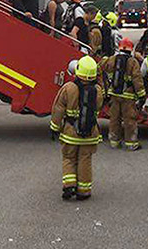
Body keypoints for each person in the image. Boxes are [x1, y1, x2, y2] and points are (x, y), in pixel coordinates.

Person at [50, 56, 104, 200]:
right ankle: (84, 191)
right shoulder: (98, 90)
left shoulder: (69, 88)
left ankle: (69, 185)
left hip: (70, 133)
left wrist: (54, 127)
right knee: (85, 160)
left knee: (69, 158)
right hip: (91, 133)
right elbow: (98, 108)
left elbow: (58, 109)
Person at [99, 37, 145, 150]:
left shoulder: (112, 59)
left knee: (114, 119)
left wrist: (104, 57)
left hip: (114, 95)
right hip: (128, 97)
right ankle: (131, 143)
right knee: (129, 120)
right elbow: (137, 79)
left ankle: (114, 142)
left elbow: (101, 65)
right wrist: (141, 95)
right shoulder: (133, 62)